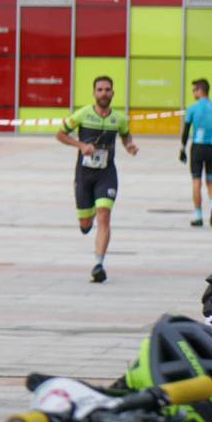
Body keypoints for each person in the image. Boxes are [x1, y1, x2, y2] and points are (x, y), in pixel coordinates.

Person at [55, 75, 138, 284]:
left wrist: (129, 145)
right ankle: (87, 214)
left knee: (104, 215)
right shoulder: (83, 114)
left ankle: (98, 264)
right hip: (84, 174)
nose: (104, 93)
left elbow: (125, 135)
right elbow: (60, 134)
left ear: (113, 93)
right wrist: (81, 146)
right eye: (100, 90)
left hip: (107, 173)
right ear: (94, 93)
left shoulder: (119, 118)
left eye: (107, 89)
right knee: (85, 224)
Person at [181, 78, 212, 227]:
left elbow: (186, 131)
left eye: (194, 90)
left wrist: (182, 149)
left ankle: (198, 215)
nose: (193, 92)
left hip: (197, 148)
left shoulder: (192, 108)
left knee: (196, 182)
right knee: (211, 181)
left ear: (200, 90)